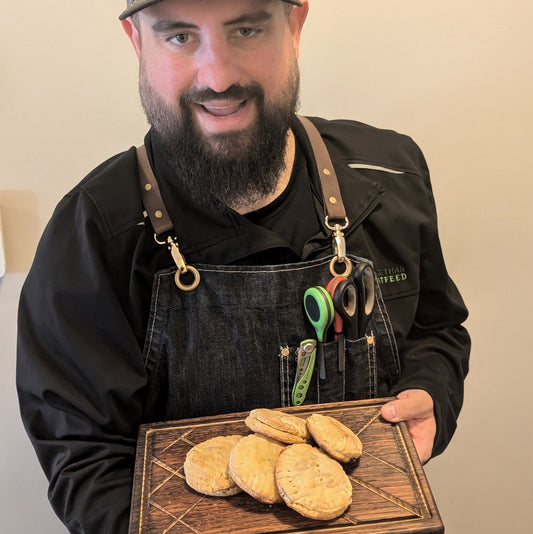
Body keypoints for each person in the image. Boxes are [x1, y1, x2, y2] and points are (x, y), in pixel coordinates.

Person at [16, 1, 470, 533]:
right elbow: (86, 460)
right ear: (137, 42)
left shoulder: (390, 171)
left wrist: (433, 392)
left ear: (294, 27)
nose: (219, 76)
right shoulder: (93, 233)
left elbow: (435, 330)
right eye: (179, 37)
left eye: (247, 29)